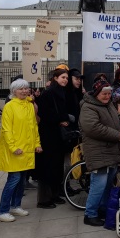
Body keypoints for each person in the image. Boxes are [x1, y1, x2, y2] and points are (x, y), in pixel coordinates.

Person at [79, 79, 120, 226]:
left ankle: (102, 209)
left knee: (108, 184)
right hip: (98, 151)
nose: (107, 96)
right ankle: (90, 214)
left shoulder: (108, 105)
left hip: (112, 150)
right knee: (98, 184)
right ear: (96, 94)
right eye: (104, 94)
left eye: (109, 93)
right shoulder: (88, 107)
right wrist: (117, 135)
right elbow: (93, 128)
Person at [0, 79, 42, 222]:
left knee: (21, 180)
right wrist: (13, 147)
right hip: (15, 149)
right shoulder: (10, 106)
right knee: (13, 180)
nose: (24, 91)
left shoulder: (29, 105)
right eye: (20, 89)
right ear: (13, 91)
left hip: (27, 149)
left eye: (26, 88)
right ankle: (2, 211)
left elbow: (34, 127)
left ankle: (16, 205)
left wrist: (37, 144)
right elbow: (6, 129)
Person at [35, 68, 70, 208]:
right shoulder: (48, 93)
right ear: (55, 78)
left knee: (57, 166)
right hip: (48, 135)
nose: (65, 80)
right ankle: (44, 199)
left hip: (57, 136)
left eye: (66, 78)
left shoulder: (61, 92)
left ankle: (54, 195)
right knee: (47, 167)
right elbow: (44, 113)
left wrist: (65, 119)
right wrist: (59, 121)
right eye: (62, 77)